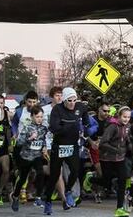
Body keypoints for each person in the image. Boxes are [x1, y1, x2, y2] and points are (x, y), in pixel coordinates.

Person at [43, 87, 90, 215]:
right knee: (54, 176)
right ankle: (48, 201)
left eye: (74, 100)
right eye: (69, 100)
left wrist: (85, 125)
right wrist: (72, 126)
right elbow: (54, 128)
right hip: (59, 146)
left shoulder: (79, 106)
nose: (72, 103)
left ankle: (68, 190)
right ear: (64, 100)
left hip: (72, 145)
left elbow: (85, 112)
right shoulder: (57, 109)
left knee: (75, 171)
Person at [11, 105, 49, 212]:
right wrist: (29, 138)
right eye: (37, 117)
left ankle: (38, 197)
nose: (39, 119)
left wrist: (44, 147)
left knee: (40, 172)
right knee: (23, 178)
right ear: (32, 116)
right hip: (26, 156)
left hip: (37, 155)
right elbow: (19, 142)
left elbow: (43, 140)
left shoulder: (43, 128)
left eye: (41, 117)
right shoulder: (27, 128)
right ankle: (15, 196)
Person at [96, 106, 132, 217]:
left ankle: (119, 208)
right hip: (107, 158)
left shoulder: (128, 126)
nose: (126, 119)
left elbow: (126, 140)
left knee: (123, 179)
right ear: (119, 116)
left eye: (128, 117)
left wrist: (130, 147)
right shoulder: (112, 127)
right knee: (107, 182)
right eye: (124, 117)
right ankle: (90, 179)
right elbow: (102, 143)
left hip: (120, 158)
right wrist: (115, 149)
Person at [0, 94, 13, 206]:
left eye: (1, 103)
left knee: (6, 169)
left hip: (2, 146)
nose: (0, 105)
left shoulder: (6, 114)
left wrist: (10, 144)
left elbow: (9, 130)